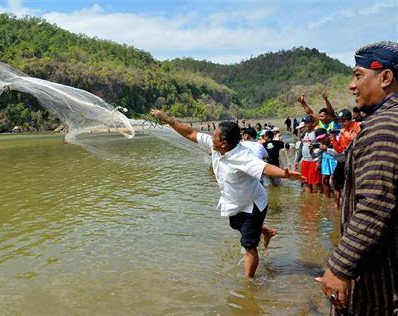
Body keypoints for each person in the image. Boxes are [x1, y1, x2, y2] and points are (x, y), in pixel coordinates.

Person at [150, 109, 303, 279]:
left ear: (223, 143)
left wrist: (285, 174)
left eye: (214, 135)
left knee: (249, 246)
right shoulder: (216, 145)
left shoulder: (243, 156)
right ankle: (265, 230)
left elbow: (265, 168)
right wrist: (169, 120)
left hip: (253, 204)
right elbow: (191, 133)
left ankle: (249, 283)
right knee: (236, 225)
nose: (210, 137)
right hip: (235, 201)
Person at [316, 41, 398, 315]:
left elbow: (375, 206)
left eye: (358, 75)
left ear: (386, 77)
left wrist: (340, 266)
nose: (352, 85)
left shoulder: (384, 128)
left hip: (382, 282)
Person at [294, 115, 322, 193]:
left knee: (316, 183)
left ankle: (318, 201)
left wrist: (319, 161)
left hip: (314, 161)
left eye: (307, 122)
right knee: (306, 182)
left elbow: (321, 146)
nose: (305, 124)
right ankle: (307, 201)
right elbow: (300, 147)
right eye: (304, 122)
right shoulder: (304, 134)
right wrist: (297, 160)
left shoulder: (316, 133)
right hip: (305, 161)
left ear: (312, 123)